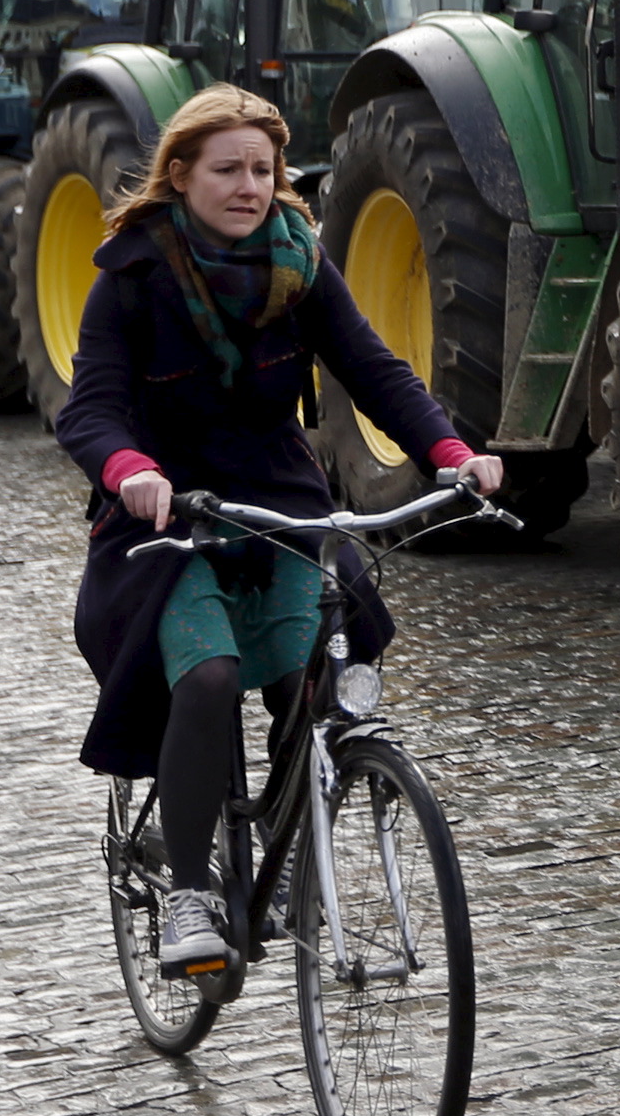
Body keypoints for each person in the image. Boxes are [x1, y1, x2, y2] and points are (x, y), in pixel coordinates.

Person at [56, 85, 503, 969]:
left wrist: (452, 453)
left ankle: (297, 821)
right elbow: (90, 410)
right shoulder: (132, 276)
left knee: (331, 654)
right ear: (180, 175)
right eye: (229, 169)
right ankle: (189, 892)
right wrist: (132, 472)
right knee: (210, 673)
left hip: (278, 505)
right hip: (168, 520)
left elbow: (374, 370)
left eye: (264, 169)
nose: (250, 185)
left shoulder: (299, 266)